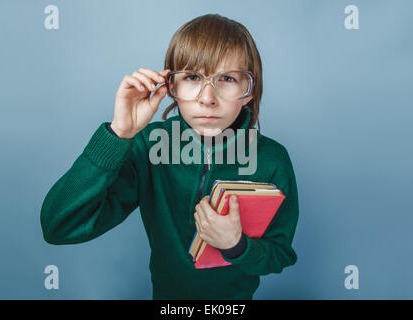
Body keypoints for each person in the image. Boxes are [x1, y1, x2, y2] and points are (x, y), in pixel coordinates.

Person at [40, 13, 299, 300]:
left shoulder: (273, 160)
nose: (207, 98)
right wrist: (117, 134)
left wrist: (236, 245)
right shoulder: (148, 147)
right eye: (192, 78)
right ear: (171, 86)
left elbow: (280, 255)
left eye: (227, 78)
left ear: (249, 90)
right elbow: (58, 227)